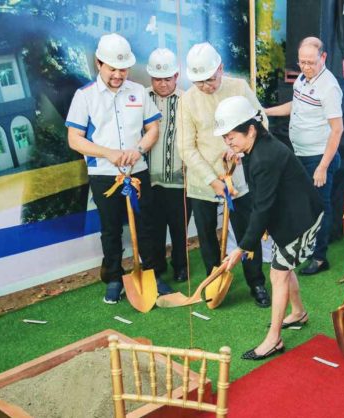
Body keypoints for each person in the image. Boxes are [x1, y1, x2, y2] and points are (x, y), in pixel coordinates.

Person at [66, 33, 170, 303]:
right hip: (104, 175)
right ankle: (114, 278)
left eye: (122, 69)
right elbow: (74, 139)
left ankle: (153, 274)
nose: (118, 74)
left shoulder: (137, 91)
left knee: (146, 224)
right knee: (111, 229)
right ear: (98, 63)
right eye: (112, 68)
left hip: (137, 171)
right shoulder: (84, 97)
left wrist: (138, 150)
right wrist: (108, 153)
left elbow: (153, 129)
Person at [217, 96, 323, 360]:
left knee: (278, 274)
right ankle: (298, 312)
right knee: (283, 267)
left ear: (250, 129)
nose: (229, 142)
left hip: (301, 219)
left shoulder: (264, 157)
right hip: (285, 215)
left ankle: (274, 340)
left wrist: (241, 248)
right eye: (225, 137)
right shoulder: (255, 148)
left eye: (232, 136)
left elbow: (261, 208)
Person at [177, 42, 270, 307]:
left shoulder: (238, 88)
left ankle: (257, 282)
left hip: (239, 176)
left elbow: (260, 121)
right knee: (206, 235)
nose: (205, 86)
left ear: (221, 68)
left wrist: (242, 152)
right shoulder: (188, 100)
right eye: (198, 82)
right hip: (203, 180)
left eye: (209, 79)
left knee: (247, 231)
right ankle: (213, 281)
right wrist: (213, 180)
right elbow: (185, 146)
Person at [265, 37, 343, 275]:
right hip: (300, 154)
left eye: (311, 62)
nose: (306, 67)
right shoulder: (303, 78)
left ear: (324, 58)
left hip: (318, 157)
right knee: (304, 204)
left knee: (321, 207)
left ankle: (319, 258)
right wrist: (265, 111)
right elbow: (295, 106)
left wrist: (322, 166)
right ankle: (305, 248)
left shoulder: (328, 87)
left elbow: (338, 129)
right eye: (302, 62)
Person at [145, 48, 191, 283]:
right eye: (157, 78)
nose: (162, 84)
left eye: (167, 78)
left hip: (180, 179)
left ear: (176, 76)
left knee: (179, 227)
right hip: (149, 179)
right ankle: (156, 265)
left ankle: (181, 266)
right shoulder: (141, 99)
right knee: (153, 227)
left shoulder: (188, 101)